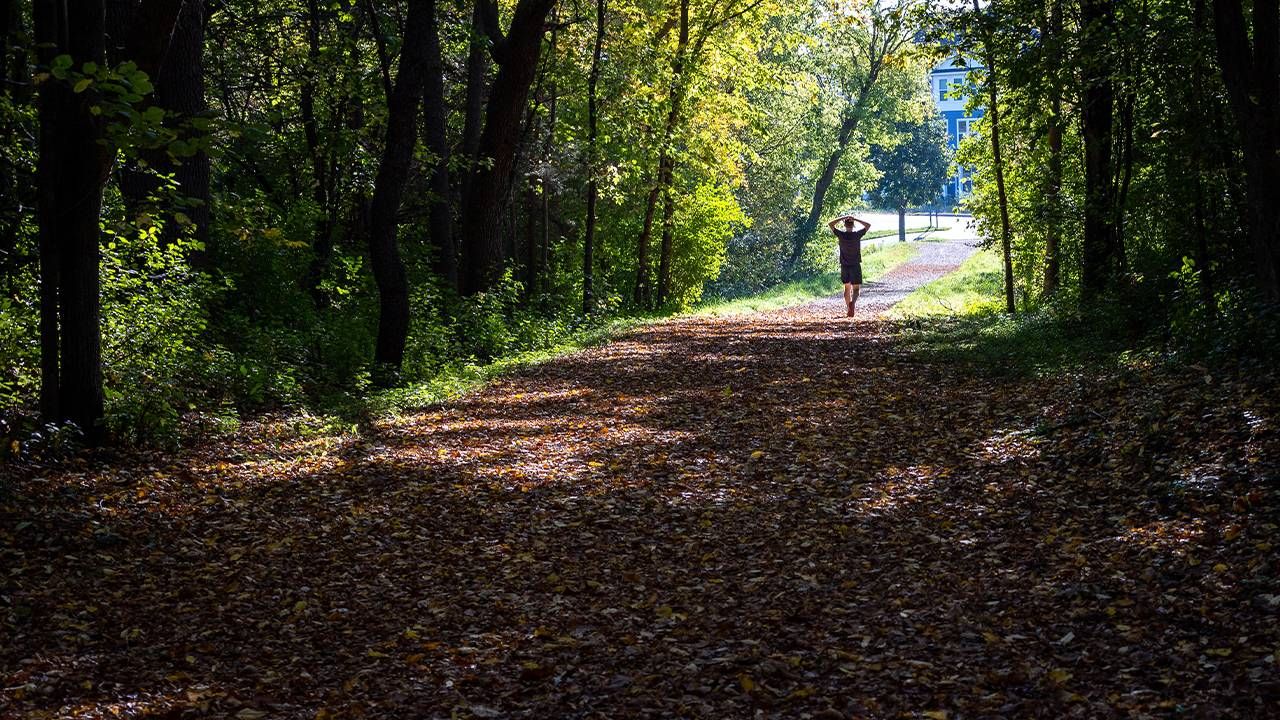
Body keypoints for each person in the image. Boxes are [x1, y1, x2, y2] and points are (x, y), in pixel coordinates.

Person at [828, 214, 871, 318]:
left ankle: (848, 308)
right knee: (856, 289)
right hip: (855, 265)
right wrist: (855, 218)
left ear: (845, 225)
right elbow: (868, 225)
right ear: (853, 226)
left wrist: (843, 218)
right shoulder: (857, 234)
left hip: (844, 265)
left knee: (847, 288)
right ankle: (853, 303)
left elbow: (830, 224)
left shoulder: (841, 235)